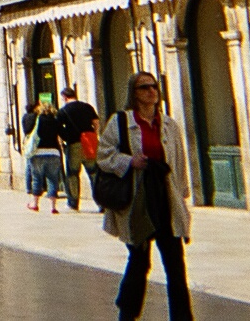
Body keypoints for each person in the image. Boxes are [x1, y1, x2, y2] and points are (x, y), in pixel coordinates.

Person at [99, 72, 193, 321]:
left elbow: (179, 162)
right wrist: (130, 161)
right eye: (144, 87)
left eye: (154, 87)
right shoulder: (120, 122)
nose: (151, 91)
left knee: (175, 264)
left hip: (166, 198)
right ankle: (127, 313)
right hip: (138, 200)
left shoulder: (169, 125)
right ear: (134, 93)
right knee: (140, 261)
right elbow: (103, 155)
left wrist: (182, 195)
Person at [58, 86, 100, 212]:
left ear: (65, 97)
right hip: (89, 143)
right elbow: (96, 122)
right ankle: (101, 202)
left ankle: (73, 203)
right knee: (94, 172)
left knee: (73, 174)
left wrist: (63, 140)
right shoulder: (87, 107)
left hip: (74, 143)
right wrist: (94, 135)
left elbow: (58, 128)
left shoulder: (63, 111)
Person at [26, 99, 66, 213]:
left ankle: (35, 204)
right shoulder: (55, 121)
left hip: (38, 152)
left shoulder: (37, 120)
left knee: (37, 179)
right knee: (53, 179)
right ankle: (53, 207)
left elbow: (28, 131)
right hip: (53, 152)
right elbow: (64, 134)